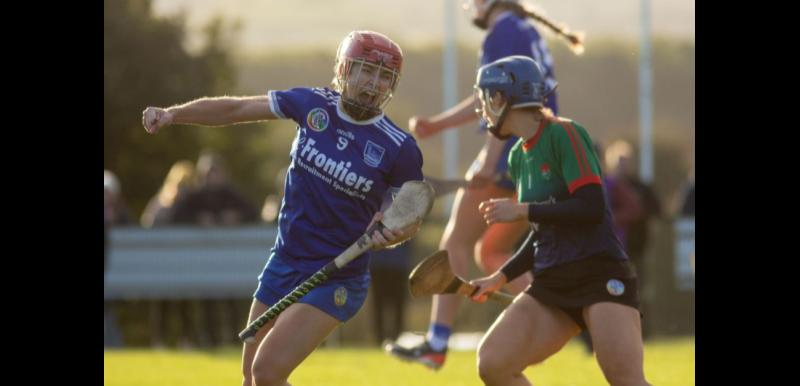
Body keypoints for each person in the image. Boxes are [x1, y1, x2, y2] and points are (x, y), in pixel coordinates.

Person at [142, 30, 424, 386]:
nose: (374, 83)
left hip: (337, 276)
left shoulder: (399, 147)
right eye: (367, 70)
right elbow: (237, 108)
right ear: (344, 69)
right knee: (252, 379)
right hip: (285, 261)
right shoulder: (311, 104)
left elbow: (410, 214)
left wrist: (392, 232)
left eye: (384, 76)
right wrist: (173, 114)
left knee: (266, 371)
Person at [387, 0, 583, 370]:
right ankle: (558, 316)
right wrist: (439, 125)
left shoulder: (502, 32)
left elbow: (501, 101)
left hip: (510, 151)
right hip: (539, 155)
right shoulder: (524, 29)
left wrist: (489, 164)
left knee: (456, 242)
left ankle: (437, 342)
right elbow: (487, 98)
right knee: (492, 252)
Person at [468, 55, 650, 385]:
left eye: (485, 98)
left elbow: (591, 207)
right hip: (552, 283)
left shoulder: (566, 133)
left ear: (502, 97)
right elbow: (543, 233)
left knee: (626, 380)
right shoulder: (517, 156)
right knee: (493, 363)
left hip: (599, 274)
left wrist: (524, 210)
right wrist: (500, 276)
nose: (482, 108)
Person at [140, 160, 201, 349]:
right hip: (164, 259)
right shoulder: (162, 201)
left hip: (185, 259)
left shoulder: (194, 203)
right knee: (162, 300)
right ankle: (159, 340)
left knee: (185, 302)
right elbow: (148, 223)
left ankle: (186, 340)